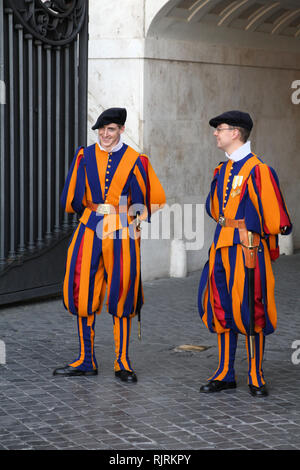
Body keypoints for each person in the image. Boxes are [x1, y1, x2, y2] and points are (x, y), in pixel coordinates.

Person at [53, 107, 166, 382]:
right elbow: (72, 196)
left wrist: (134, 220)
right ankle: (85, 359)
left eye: (111, 129)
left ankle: (122, 361)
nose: (105, 134)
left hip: (121, 229)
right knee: (82, 289)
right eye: (101, 129)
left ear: (121, 130)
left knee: (123, 289)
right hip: (89, 226)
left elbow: (154, 197)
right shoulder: (85, 155)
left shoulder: (136, 160)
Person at [198, 110, 292, 397]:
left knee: (252, 308)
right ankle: (226, 372)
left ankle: (255, 373)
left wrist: (252, 228)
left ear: (235, 133)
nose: (216, 133)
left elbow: (278, 219)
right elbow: (214, 209)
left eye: (220, 129)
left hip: (248, 248)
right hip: (222, 245)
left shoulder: (258, 169)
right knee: (222, 307)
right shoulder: (222, 169)